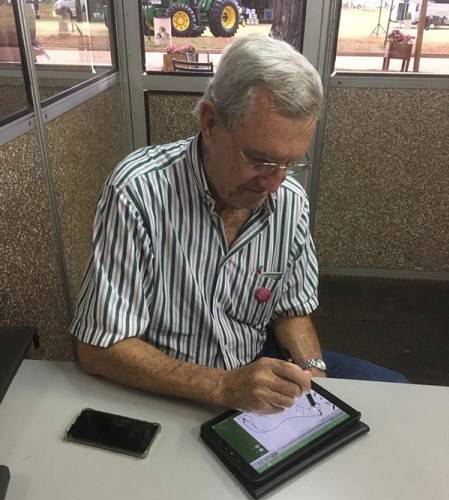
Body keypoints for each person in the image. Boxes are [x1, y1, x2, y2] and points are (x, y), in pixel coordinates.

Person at [71, 36, 406, 415]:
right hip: (169, 382)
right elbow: (98, 347)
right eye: (260, 160)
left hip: (254, 365)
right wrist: (222, 385)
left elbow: (291, 309)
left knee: (397, 395)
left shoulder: (290, 201)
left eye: (290, 163)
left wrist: (313, 371)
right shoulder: (138, 192)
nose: (274, 182)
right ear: (210, 122)